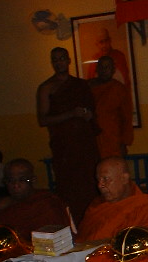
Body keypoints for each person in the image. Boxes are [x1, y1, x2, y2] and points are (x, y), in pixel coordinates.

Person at [37, 47, 100, 224]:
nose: (59, 63)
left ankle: (93, 217)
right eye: (55, 60)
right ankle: (70, 220)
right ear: (52, 63)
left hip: (84, 142)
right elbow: (43, 120)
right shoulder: (46, 88)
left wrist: (88, 116)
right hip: (64, 146)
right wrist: (71, 114)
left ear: (69, 60)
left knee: (89, 180)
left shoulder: (81, 85)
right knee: (68, 185)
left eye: (62, 59)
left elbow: (93, 112)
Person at [76, 157, 148, 243]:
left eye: (105, 179)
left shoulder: (146, 206)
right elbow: (82, 240)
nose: (100, 185)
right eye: (98, 180)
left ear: (124, 179)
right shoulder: (97, 205)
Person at [0, 158, 72, 242]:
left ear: (33, 180)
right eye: (10, 180)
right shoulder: (5, 205)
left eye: (22, 180)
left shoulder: (46, 202)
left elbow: (57, 240)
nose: (16, 185)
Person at [89, 56, 134, 158]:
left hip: (112, 140)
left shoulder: (119, 89)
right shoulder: (88, 87)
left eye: (108, 67)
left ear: (113, 70)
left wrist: (124, 144)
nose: (104, 70)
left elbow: (127, 118)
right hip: (92, 140)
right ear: (97, 68)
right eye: (102, 67)